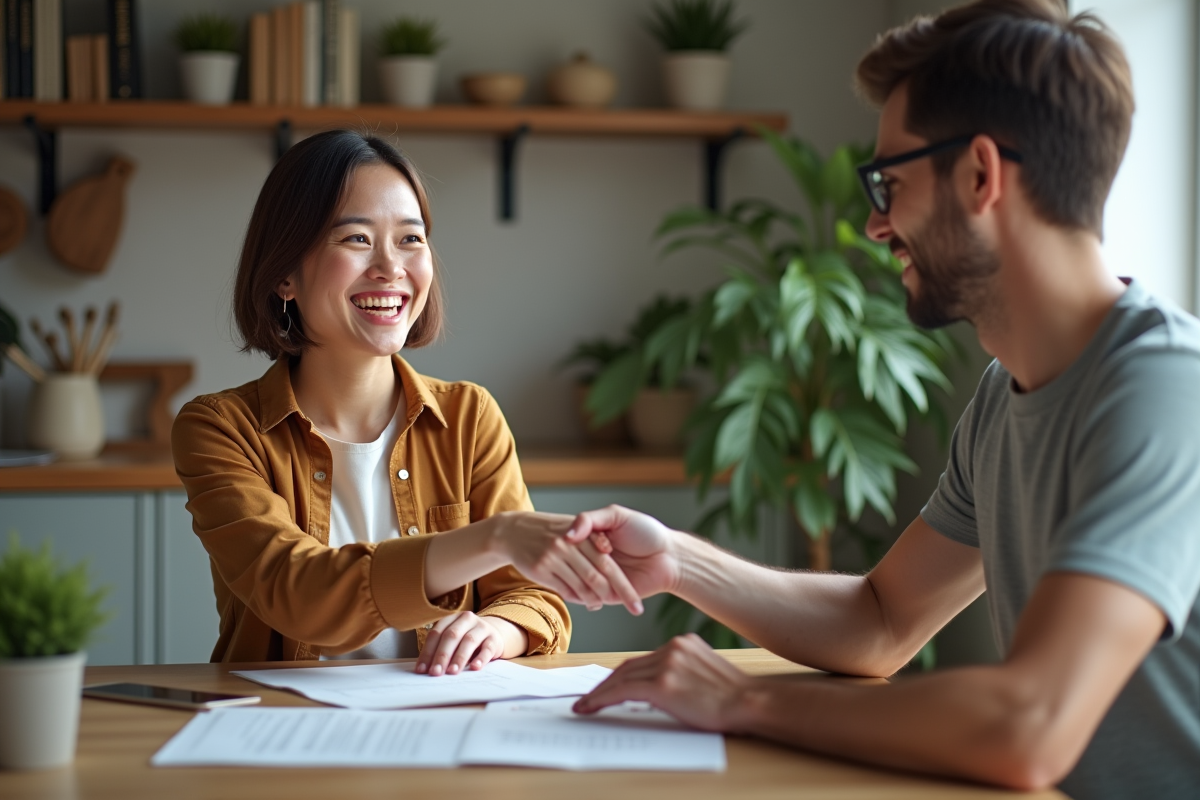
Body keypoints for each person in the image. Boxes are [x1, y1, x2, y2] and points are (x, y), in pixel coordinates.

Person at [543, 1, 1200, 797]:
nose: (874, 223)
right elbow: (883, 620)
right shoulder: (1005, 394)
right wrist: (681, 561)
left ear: (980, 175)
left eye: (889, 182)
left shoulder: (1167, 386)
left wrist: (742, 699)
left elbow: (1030, 725)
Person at [172, 130, 633, 676]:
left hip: (441, 728)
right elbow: (295, 592)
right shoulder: (220, 429)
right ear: (284, 275)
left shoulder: (469, 417)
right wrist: (492, 538)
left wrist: (496, 629)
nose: (392, 268)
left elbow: (535, 600)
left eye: (411, 239)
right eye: (357, 240)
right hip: (277, 729)